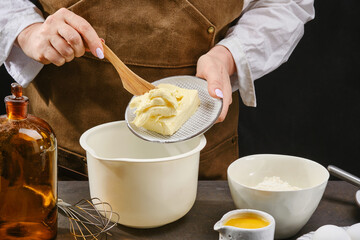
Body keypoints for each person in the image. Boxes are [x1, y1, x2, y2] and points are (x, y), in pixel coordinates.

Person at [0, 0, 314, 179]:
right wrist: (26, 31)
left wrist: (228, 55)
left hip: (198, 175)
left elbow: (287, 3)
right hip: (61, 175)